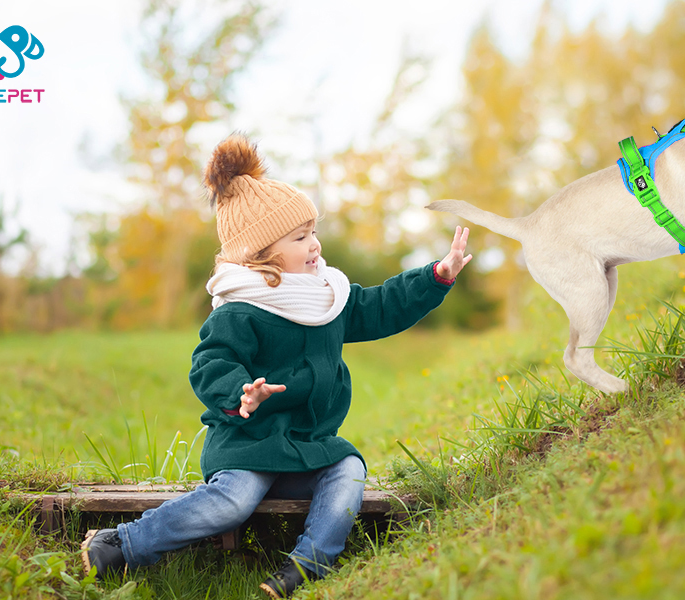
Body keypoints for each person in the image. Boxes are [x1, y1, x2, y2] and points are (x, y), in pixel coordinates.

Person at [81, 133, 471, 599]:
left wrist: (435, 277)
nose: (315, 244)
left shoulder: (326, 294)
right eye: (300, 236)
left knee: (348, 469)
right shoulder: (241, 308)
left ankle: (307, 565)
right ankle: (122, 544)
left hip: (307, 446)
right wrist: (242, 393)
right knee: (233, 503)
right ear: (263, 252)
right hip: (247, 446)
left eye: (313, 231)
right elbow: (210, 362)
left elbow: (379, 307)